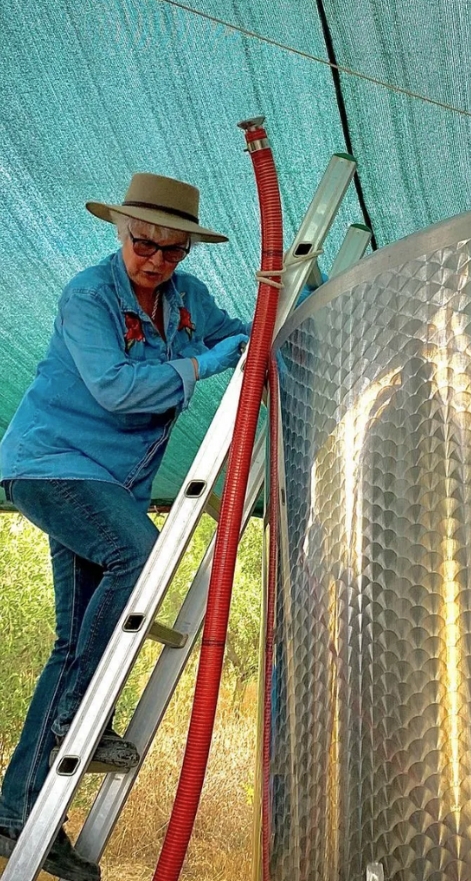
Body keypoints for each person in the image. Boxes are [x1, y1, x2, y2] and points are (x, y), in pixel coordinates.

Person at [0, 173, 251, 881]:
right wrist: (205, 361)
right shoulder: (88, 295)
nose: (157, 261)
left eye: (174, 252)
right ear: (121, 232)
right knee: (138, 554)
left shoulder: (188, 301)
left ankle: (19, 815)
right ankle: (77, 720)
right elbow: (113, 386)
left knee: (72, 640)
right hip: (51, 464)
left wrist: (243, 342)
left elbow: (238, 333)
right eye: (146, 244)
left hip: (115, 483)